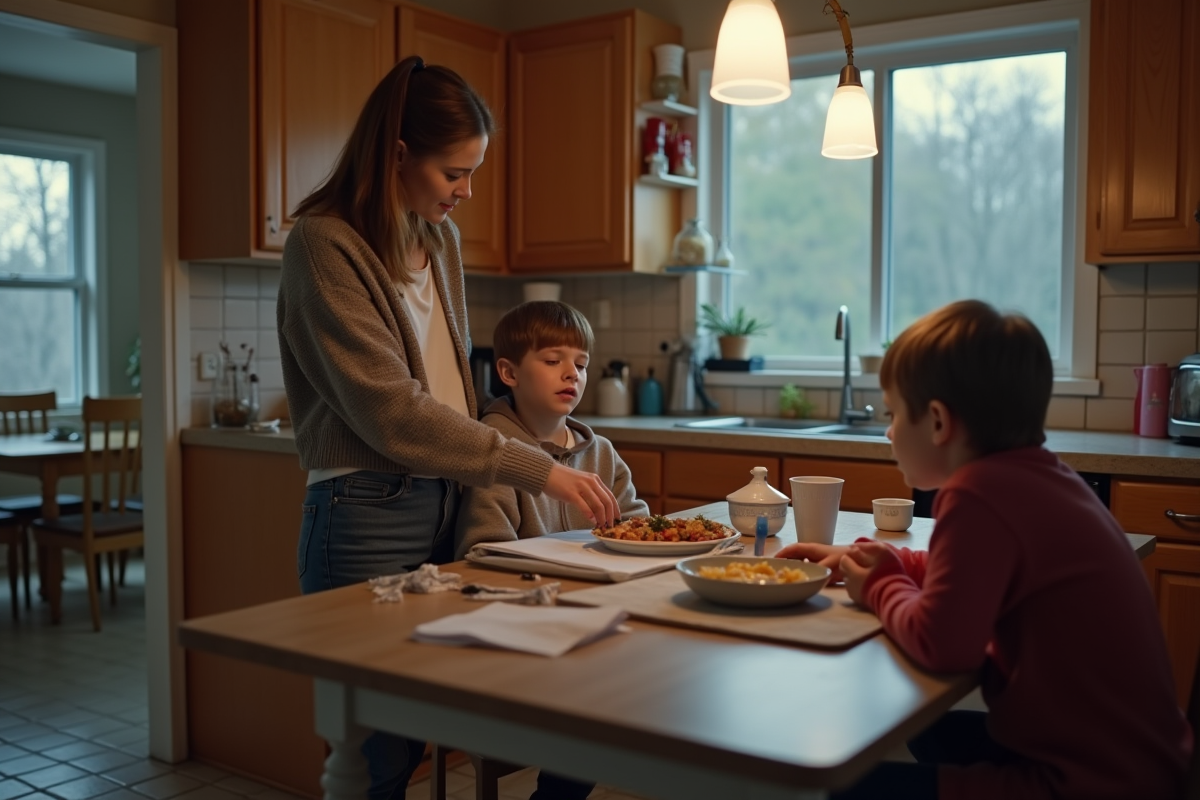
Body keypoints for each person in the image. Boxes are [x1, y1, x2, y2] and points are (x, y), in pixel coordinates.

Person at [277, 55, 619, 800]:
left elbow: (449, 392)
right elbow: (392, 411)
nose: (466, 192)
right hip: (362, 512)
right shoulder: (324, 244)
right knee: (374, 756)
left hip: (441, 501)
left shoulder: (441, 242)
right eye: (454, 173)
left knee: (426, 737)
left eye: (472, 174)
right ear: (397, 154)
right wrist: (536, 465)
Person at [776, 300, 1191, 800]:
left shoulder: (976, 495)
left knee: (835, 787)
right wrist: (889, 561)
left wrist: (882, 586)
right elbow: (971, 575)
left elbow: (944, 645)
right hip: (1137, 763)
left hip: (1088, 783)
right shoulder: (1040, 475)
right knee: (925, 729)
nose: (887, 431)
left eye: (892, 413)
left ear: (936, 422)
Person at [454, 300, 648, 800]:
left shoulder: (600, 451)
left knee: (641, 681)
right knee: (600, 705)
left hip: (590, 618)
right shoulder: (493, 450)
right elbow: (483, 551)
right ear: (508, 372)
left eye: (581, 364)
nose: (572, 374)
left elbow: (638, 528)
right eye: (553, 360)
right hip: (526, 627)